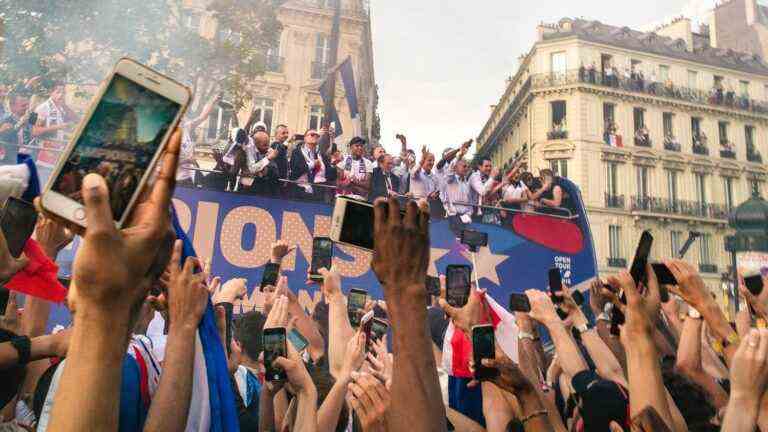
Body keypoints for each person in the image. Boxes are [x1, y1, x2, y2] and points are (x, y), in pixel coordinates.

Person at [32, 84, 76, 182]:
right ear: (51, 93)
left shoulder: (61, 108)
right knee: (41, 182)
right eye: (58, 92)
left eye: (63, 93)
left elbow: (76, 119)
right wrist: (59, 127)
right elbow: (34, 131)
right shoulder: (43, 108)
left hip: (57, 153)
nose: (61, 95)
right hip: (43, 154)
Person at [177, 92, 220, 187]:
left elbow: (202, 117)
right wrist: (188, 160)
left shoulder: (186, 127)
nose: (184, 117)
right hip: (177, 179)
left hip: (188, 176)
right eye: (181, 115)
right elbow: (166, 163)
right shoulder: (169, 138)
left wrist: (213, 102)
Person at [289, 128, 336, 201]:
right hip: (300, 192)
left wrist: (334, 165)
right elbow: (296, 170)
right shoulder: (297, 152)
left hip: (319, 193)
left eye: (317, 136)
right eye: (312, 135)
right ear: (305, 138)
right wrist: (313, 164)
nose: (315, 136)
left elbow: (330, 175)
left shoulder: (321, 155)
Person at [440, 159, 475, 237]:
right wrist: (459, 156)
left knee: (466, 243)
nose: (466, 168)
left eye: (467, 167)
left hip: (466, 218)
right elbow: (449, 172)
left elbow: (469, 202)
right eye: (464, 166)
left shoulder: (467, 183)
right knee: (458, 242)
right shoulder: (451, 179)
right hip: (454, 217)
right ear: (455, 168)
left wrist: (469, 214)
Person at [0, 89, 35, 165]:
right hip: (10, 162)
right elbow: (6, 136)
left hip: (30, 158)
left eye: (27, 105)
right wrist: (20, 123)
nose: (26, 108)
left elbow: (35, 134)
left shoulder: (31, 117)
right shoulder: (6, 120)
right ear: (12, 107)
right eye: (23, 105)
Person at [240, 130, 279, 196]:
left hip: (263, 190)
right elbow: (251, 169)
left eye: (268, 144)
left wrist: (267, 170)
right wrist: (267, 159)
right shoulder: (248, 151)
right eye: (264, 145)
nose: (267, 147)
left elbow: (275, 172)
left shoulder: (269, 152)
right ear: (255, 144)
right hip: (247, 190)